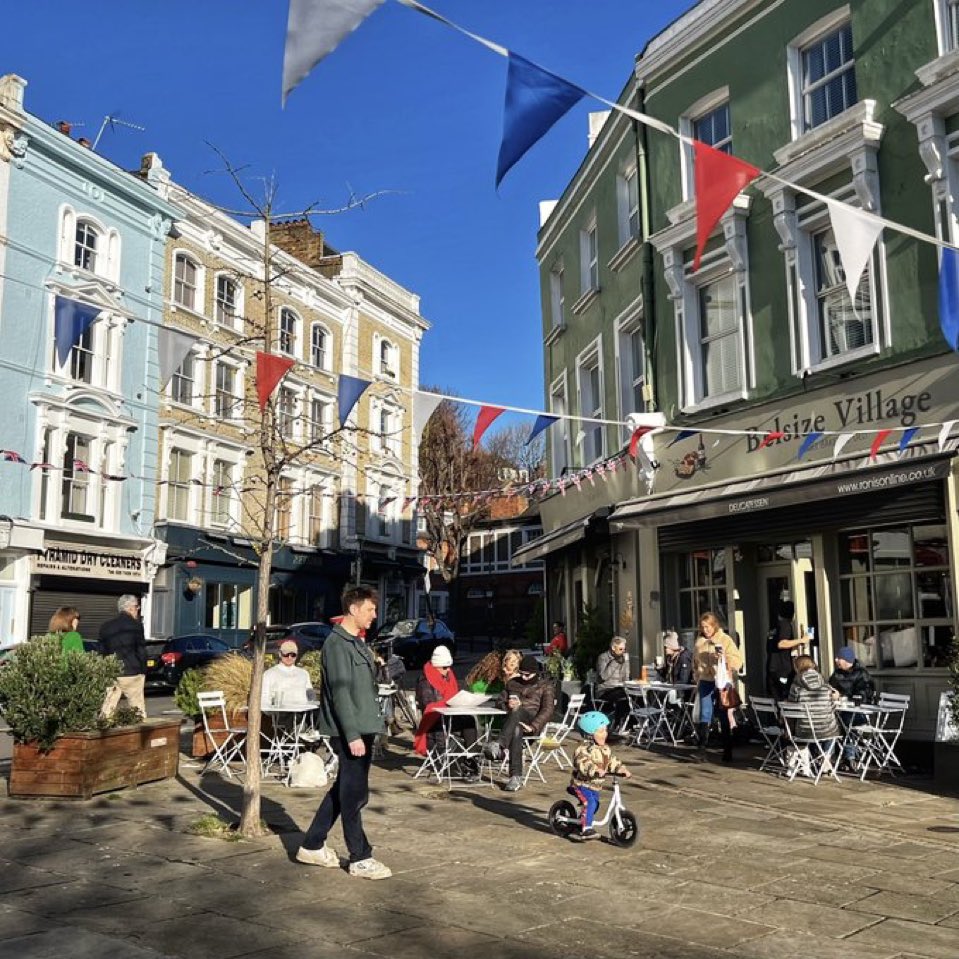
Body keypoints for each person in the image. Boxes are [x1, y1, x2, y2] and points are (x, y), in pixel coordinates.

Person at [297, 586, 391, 880]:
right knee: (354, 794)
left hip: (363, 726)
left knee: (344, 791)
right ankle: (360, 856)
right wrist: (351, 735)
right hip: (351, 730)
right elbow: (340, 694)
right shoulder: (338, 645)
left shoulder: (356, 643)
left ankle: (312, 844)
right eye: (369, 609)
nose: (374, 615)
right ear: (353, 609)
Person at [484, 654, 555, 792]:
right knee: (516, 726)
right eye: (521, 674)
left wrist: (533, 726)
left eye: (527, 675)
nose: (523, 678)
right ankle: (515, 777)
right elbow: (499, 702)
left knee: (518, 711)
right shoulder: (512, 683)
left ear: (535, 673)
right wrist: (506, 704)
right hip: (513, 725)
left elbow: (548, 709)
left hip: (531, 723)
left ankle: (499, 745)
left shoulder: (545, 686)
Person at [413, 645, 479, 779]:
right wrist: (450, 702)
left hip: (450, 715)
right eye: (444, 667)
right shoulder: (425, 680)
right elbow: (428, 704)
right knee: (466, 721)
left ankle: (470, 760)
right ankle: (468, 762)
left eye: (449, 666)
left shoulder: (449, 675)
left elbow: (454, 694)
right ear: (436, 666)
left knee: (469, 721)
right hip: (435, 721)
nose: (448, 670)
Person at [568, 710, 630, 841]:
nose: (605, 734)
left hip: (595, 786)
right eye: (600, 731)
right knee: (589, 803)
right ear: (590, 734)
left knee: (595, 804)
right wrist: (595, 769)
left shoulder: (605, 749)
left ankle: (583, 821)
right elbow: (582, 763)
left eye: (606, 730)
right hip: (581, 784)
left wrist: (621, 768)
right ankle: (586, 830)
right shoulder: (583, 749)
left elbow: (612, 761)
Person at [692, 612, 743, 762]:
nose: (705, 630)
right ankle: (701, 749)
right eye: (703, 627)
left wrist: (724, 659)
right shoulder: (699, 642)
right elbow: (695, 662)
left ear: (714, 626)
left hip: (720, 681)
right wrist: (697, 675)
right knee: (705, 712)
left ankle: (727, 750)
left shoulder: (725, 639)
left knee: (723, 713)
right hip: (705, 680)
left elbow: (738, 660)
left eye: (708, 627)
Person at [98, 595, 147, 719]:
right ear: (130, 608)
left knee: (108, 707)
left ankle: (103, 729)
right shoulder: (136, 626)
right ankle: (138, 734)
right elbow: (141, 649)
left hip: (112, 671)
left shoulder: (106, 626)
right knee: (137, 708)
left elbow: (101, 651)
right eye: (137, 607)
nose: (138, 610)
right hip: (132, 672)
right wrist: (143, 670)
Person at [787, 654, 840, 749]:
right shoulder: (825, 686)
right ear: (813, 665)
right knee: (833, 728)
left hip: (805, 730)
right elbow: (832, 708)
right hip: (827, 730)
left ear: (797, 667)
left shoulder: (796, 686)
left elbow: (791, 707)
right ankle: (826, 757)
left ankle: (816, 756)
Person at [766, 601, 805, 700]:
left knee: (776, 700)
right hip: (782, 669)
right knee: (785, 699)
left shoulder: (774, 627)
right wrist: (801, 640)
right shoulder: (785, 625)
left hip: (772, 668)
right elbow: (782, 644)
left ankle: (778, 715)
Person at [262, 640, 314, 707]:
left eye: (293, 655)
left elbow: (310, 695)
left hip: (303, 714)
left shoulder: (304, 674)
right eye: (286, 654)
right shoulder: (269, 674)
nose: (289, 657)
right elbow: (264, 699)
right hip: (280, 714)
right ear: (280, 654)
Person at [595, 636, 631, 731]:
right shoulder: (603, 658)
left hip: (619, 688)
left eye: (624, 649)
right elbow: (603, 677)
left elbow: (625, 677)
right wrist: (615, 662)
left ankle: (630, 724)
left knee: (633, 696)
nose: (623, 651)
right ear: (613, 648)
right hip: (605, 690)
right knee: (622, 697)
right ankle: (618, 724)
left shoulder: (623, 658)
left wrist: (626, 663)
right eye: (620, 649)